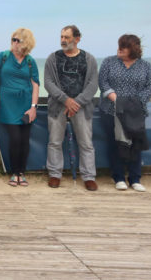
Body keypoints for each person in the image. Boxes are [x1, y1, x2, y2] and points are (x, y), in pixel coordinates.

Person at [44, 25, 99, 191]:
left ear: (77, 39)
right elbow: (48, 83)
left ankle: (89, 176)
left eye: (67, 37)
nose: (63, 40)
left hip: (81, 107)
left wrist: (77, 103)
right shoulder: (52, 58)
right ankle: (55, 174)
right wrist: (65, 100)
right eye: (61, 37)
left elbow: (93, 84)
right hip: (58, 106)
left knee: (86, 143)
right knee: (54, 142)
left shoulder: (89, 59)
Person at [98, 34, 151, 192]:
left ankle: (135, 179)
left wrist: (133, 104)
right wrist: (114, 98)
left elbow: (149, 88)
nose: (119, 49)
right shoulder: (109, 62)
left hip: (135, 113)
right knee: (115, 143)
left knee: (135, 144)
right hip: (110, 110)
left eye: (124, 46)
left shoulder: (146, 66)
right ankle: (118, 177)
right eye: (119, 45)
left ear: (133, 49)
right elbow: (103, 82)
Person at [0, 28, 40, 187]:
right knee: (15, 138)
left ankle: (21, 173)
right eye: (13, 39)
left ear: (26, 43)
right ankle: (14, 173)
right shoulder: (3, 57)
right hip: (8, 104)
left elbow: (35, 84)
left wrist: (33, 107)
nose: (14, 43)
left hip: (26, 103)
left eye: (18, 40)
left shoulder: (30, 61)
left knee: (24, 140)